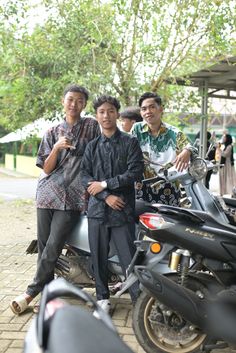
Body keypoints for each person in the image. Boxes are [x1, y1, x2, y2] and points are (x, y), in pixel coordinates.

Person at [10, 83, 101, 315]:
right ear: (63, 101)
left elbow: (97, 155)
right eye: (70, 99)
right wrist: (57, 148)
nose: (74, 104)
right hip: (47, 195)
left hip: (73, 197)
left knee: (53, 246)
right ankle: (47, 293)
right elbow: (47, 169)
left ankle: (31, 291)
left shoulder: (91, 126)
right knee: (44, 247)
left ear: (84, 104)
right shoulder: (51, 132)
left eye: (79, 100)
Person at [80, 95, 144, 313]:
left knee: (128, 257)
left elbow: (135, 172)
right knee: (98, 257)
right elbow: (84, 177)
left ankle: (138, 301)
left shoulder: (130, 142)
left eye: (110, 111)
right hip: (98, 211)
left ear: (117, 113)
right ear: (96, 115)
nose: (106, 116)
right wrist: (105, 195)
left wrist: (106, 184)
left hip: (122, 210)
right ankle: (102, 298)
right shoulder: (91, 147)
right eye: (101, 112)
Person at [132, 92, 197, 206]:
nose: (148, 111)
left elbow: (191, 147)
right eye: (144, 109)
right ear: (141, 112)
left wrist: (187, 151)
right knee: (141, 222)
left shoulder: (174, 132)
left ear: (160, 109)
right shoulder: (136, 129)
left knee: (171, 222)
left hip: (168, 188)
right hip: (141, 187)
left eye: (152, 107)